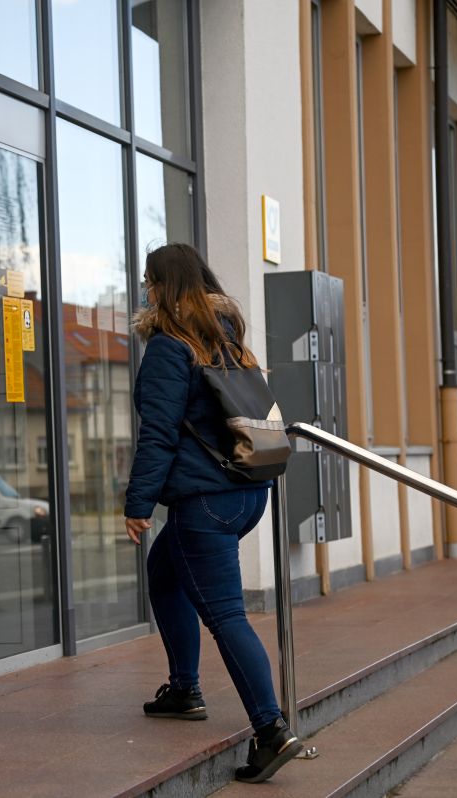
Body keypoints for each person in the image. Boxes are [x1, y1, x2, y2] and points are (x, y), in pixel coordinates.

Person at [124, 243, 302, 784]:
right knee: (164, 572)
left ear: (164, 286)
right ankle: (184, 689)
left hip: (205, 501)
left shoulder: (170, 346)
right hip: (247, 491)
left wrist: (138, 503)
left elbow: (158, 433)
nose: (146, 290)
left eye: (150, 281)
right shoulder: (226, 339)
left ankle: (271, 730)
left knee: (225, 615)